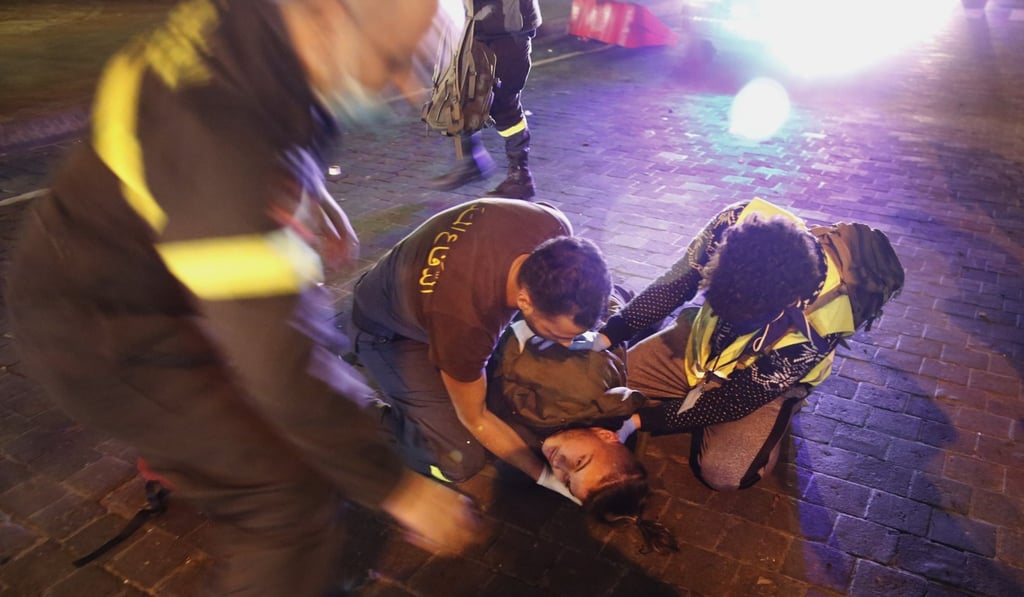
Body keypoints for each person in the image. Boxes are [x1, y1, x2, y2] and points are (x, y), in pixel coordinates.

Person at [4, 1, 481, 594]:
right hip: (105, 331)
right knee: (284, 496)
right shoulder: (223, 136)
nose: (410, 92)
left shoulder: (260, 29)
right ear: (328, 16)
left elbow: (269, 117)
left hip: (139, 271)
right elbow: (283, 366)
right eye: (396, 61)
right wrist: (399, 488)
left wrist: (301, 185)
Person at [570, 198, 857, 493]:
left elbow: (735, 400)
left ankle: (785, 405)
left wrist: (640, 420)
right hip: (700, 341)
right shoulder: (732, 222)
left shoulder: (822, 323)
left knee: (725, 472)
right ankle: (690, 393)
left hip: (760, 378)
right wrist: (607, 336)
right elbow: (676, 285)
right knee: (605, 386)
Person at [350, 197, 611, 502]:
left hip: (411, 291)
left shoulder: (552, 228)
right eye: (557, 333)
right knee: (460, 458)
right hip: (387, 332)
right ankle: (353, 405)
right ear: (525, 301)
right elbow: (477, 418)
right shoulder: (466, 323)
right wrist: (543, 477)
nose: (566, 344)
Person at [430, 0, 541, 200]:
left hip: (506, 28)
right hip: (472, 26)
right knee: (459, 92)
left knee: (503, 104)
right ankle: (469, 161)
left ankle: (520, 177)